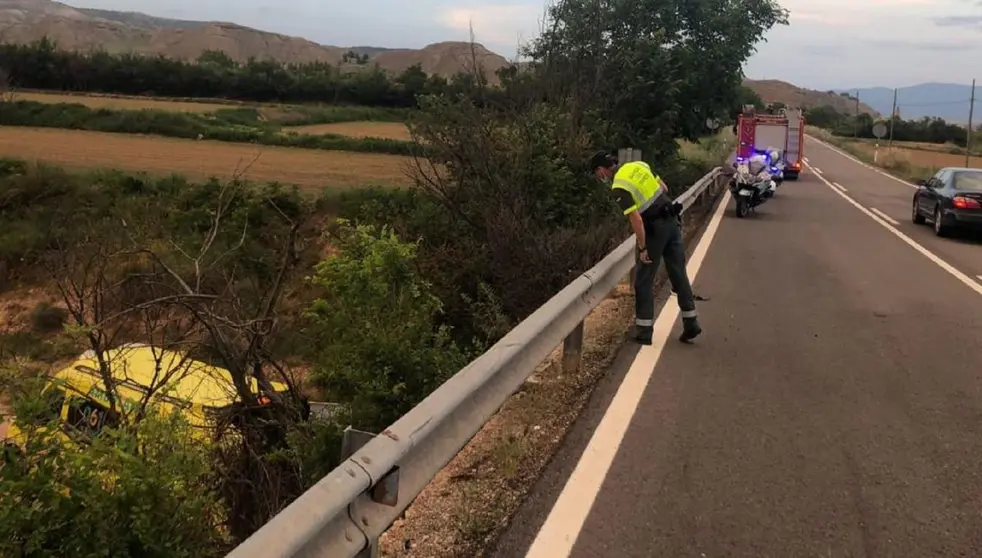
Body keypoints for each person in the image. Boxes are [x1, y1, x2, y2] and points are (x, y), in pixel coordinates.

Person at [590, 151, 702, 345]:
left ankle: (644, 331)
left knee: (644, 280)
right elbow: (663, 188)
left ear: (602, 170)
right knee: (678, 273)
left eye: (597, 174)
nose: (599, 178)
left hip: (654, 230)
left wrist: (643, 248)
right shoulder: (640, 165)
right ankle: (691, 322)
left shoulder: (619, 186)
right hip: (672, 222)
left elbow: (636, 219)